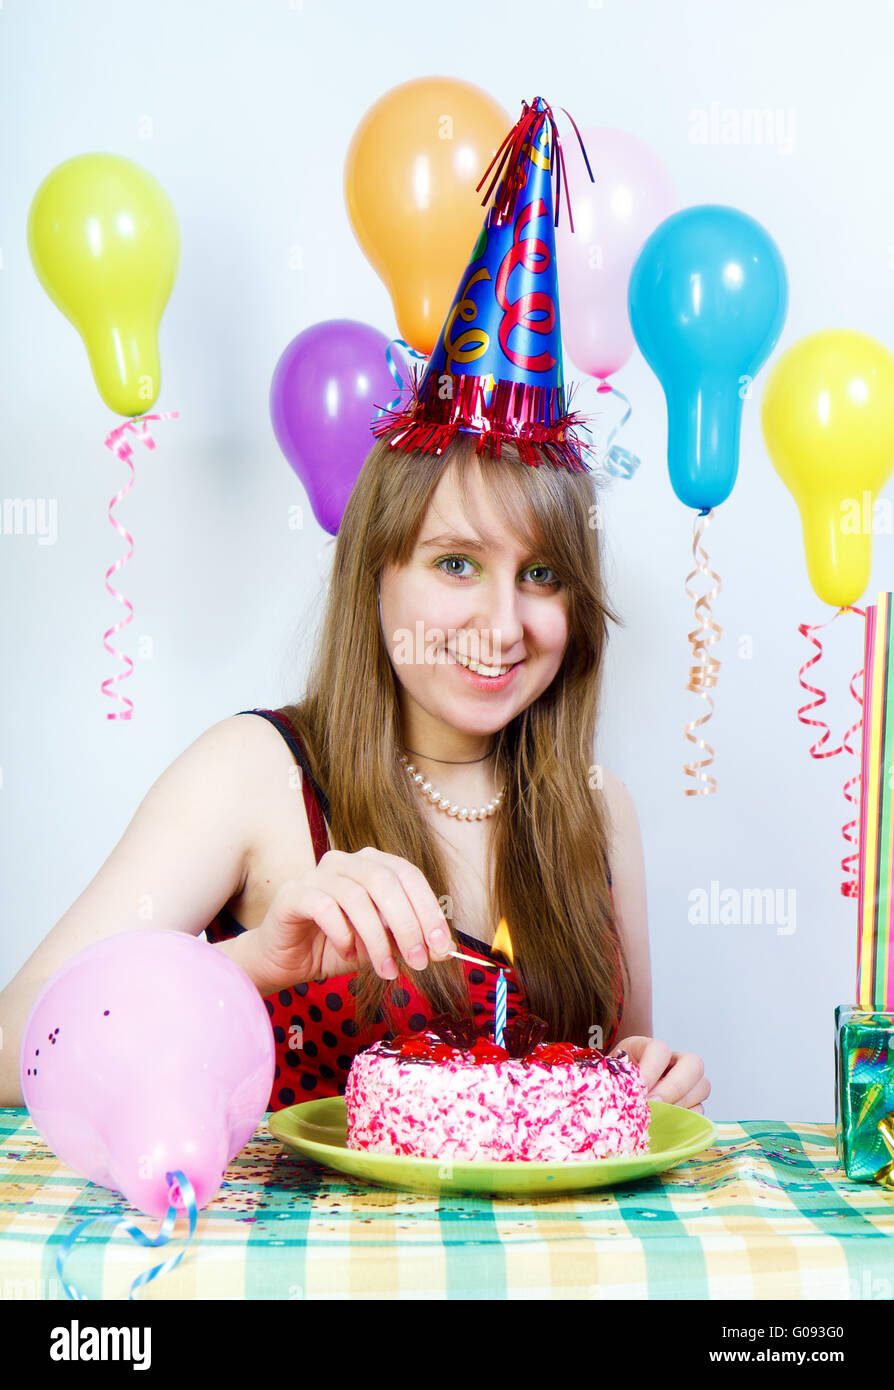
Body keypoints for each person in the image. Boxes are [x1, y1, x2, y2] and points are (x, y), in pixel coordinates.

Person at [0, 95, 709, 1118]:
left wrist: (651, 1073)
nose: (506, 624)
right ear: (375, 571)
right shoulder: (253, 776)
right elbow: (20, 1037)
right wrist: (247, 960)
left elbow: (618, 1074)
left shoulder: (600, 813)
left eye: (543, 574)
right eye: (457, 564)